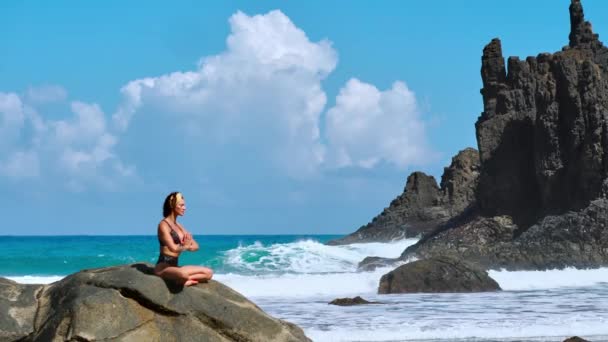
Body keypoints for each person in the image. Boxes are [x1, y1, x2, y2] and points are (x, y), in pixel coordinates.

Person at [154, 191, 213, 286]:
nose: (184, 208)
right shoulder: (163, 225)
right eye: (181, 205)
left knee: (208, 273)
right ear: (172, 205)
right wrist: (185, 246)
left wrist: (188, 246)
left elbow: (196, 246)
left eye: (184, 205)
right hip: (163, 268)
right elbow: (173, 248)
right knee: (183, 274)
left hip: (175, 267)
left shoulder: (179, 226)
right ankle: (182, 280)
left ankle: (182, 280)